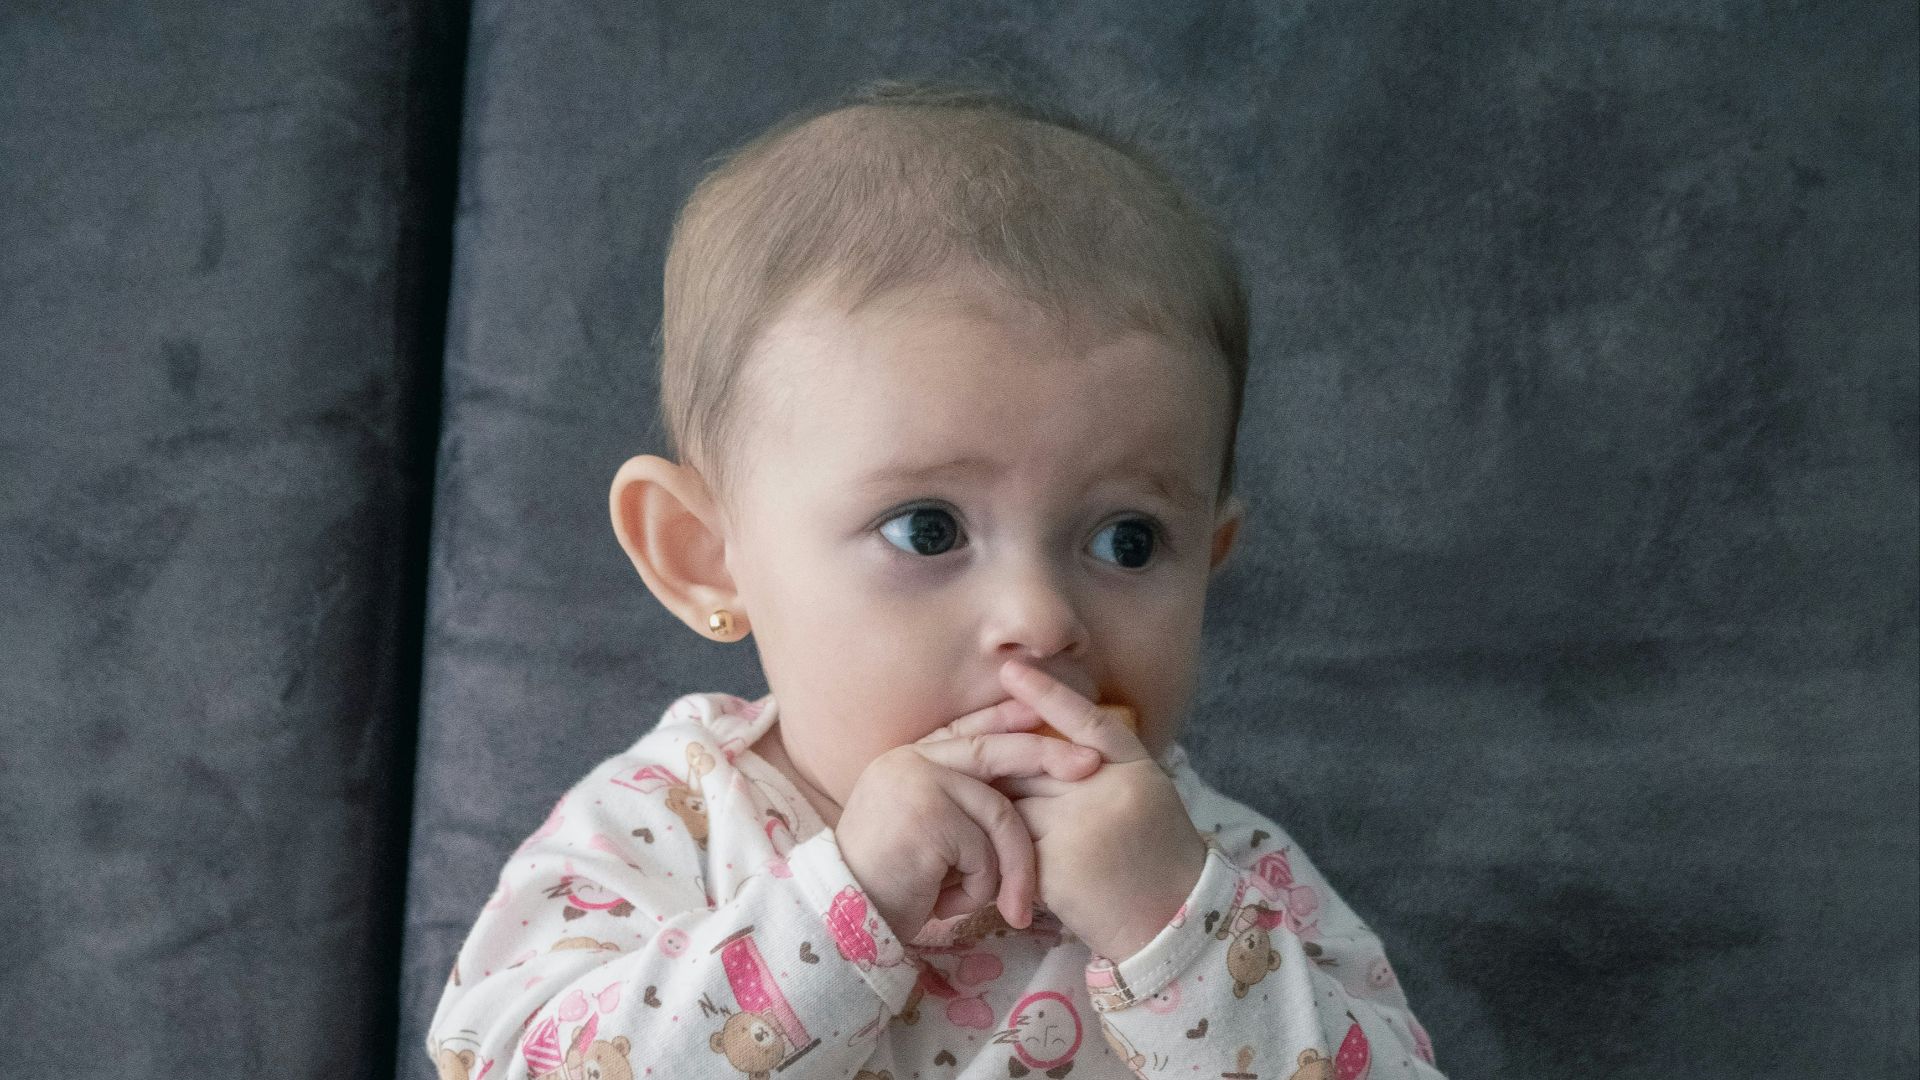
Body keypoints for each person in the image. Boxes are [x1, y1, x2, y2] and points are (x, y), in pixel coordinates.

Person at [425, 78, 1446, 1080]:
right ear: (702, 554)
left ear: (1208, 564)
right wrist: (846, 902)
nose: (1043, 621)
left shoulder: (1217, 873)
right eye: (928, 528)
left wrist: (1171, 934)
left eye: (1128, 541)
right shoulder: (669, 825)